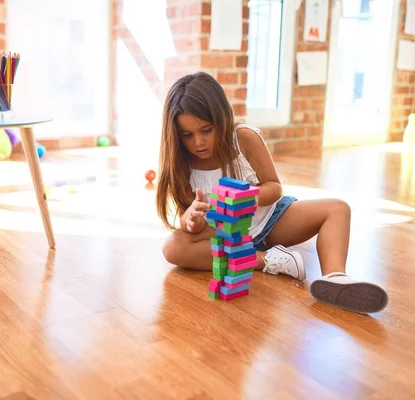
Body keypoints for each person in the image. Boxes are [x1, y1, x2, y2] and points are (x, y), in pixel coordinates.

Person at [156, 72, 388, 314]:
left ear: (221, 119)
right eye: (187, 135)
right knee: (172, 248)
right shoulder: (181, 161)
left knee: (338, 209)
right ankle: (268, 260)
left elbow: (274, 187)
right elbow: (187, 218)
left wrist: (247, 198)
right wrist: (190, 220)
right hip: (224, 235)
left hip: (270, 221)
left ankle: (335, 279)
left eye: (206, 130)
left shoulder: (243, 138)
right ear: (175, 134)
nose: (198, 142)